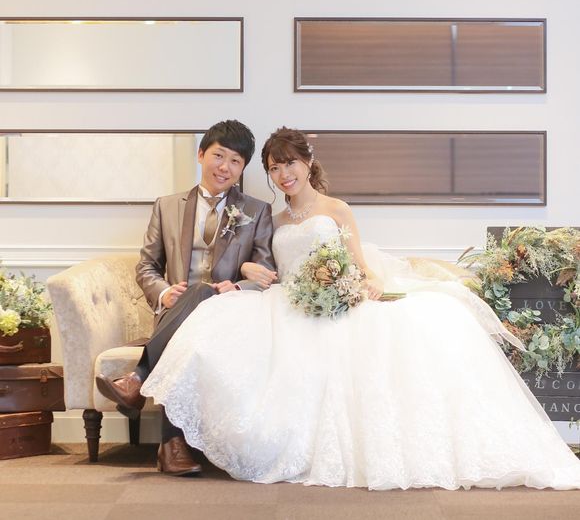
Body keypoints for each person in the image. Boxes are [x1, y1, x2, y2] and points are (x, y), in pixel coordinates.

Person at [140, 127, 580, 489]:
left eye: (289, 164)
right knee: (233, 327)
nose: (283, 174)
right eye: (274, 168)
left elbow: (361, 267)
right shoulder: (270, 219)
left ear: (307, 162)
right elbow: (268, 268)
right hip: (287, 301)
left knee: (414, 328)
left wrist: (358, 285)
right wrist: (251, 270)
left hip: (334, 300)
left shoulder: (336, 209)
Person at [96, 120, 276, 475]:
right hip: (175, 313)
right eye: (219, 156)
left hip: (228, 315)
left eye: (236, 161)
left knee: (204, 291)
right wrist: (163, 293)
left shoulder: (256, 211)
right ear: (201, 155)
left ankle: (138, 381)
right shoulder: (167, 206)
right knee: (194, 299)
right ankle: (171, 446)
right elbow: (147, 266)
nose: (225, 167)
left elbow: (266, 270)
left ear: (242, 168)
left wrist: (238, 287)